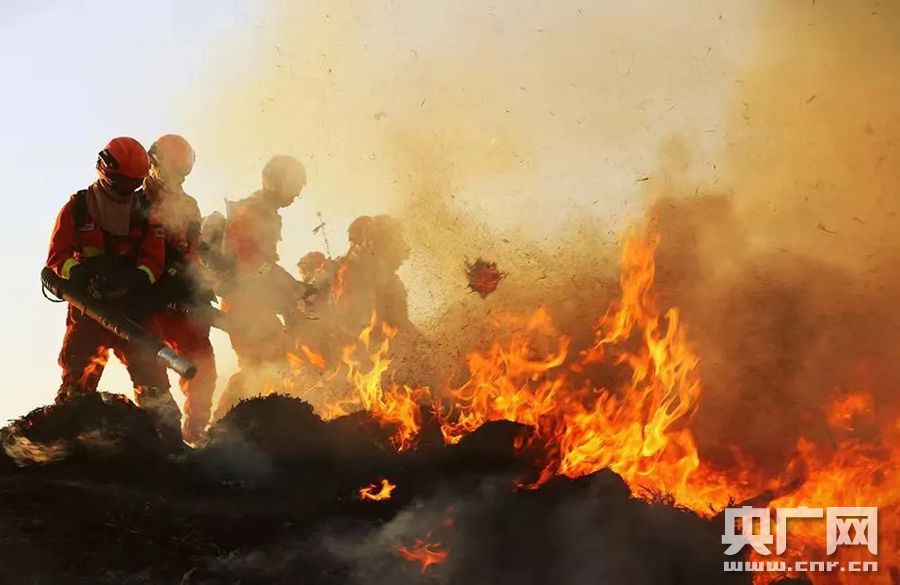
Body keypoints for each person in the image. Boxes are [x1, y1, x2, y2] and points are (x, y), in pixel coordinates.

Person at [46, 137, 181, 446]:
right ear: (106, 171)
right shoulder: (79, 208)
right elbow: (57, 257)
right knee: (78, 377)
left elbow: (153, 261)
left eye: (135, 184)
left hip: (133, 310)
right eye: (124, 183)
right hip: (91, 310)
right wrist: (80, 274)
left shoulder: (145, 213)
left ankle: (171, 446)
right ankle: (63, 444)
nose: (129, 190)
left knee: (154, 382)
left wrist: (131, 280)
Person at [213, 155, 309, 418]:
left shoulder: (267, 213)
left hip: (253, 301)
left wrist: (289, 289)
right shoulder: (253, 213)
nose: (296, 195)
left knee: (273, 359)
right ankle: (220, 424)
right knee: (257, 364)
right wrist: (288, 285)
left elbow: (262, 269)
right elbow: (253, 266)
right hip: (242, 303)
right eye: (294, 187)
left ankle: (252, 421)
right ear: (276, 183)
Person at [139, 134, 217, 444]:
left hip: (182, 298)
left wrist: (200, 283)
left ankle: (195, 432)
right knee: (150, 369)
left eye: (183, 173)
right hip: (149, 300)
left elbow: (193, 251)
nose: (179, 179)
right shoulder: (134, 203)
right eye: (174, 171)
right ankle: (161, 438)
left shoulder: (189, 206)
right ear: (154, 162)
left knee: (202, 365)